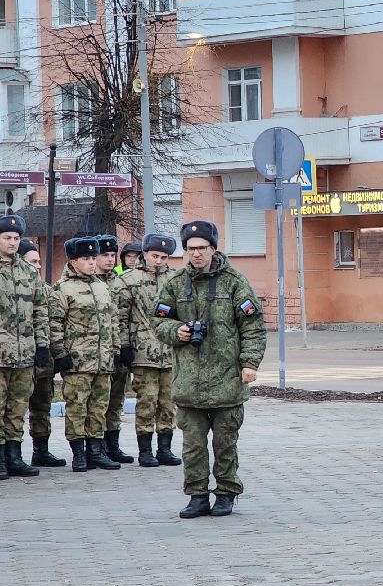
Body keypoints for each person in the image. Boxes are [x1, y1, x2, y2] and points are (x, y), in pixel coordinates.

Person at [152, 221, 267, 519]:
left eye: (202, 248)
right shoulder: (176, 283)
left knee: (225, 443)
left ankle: (227, 493)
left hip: (227, 380)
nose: (196, 254)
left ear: (213, 249)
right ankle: (197, 495)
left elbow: (252, 326)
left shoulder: (234, 282)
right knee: (192, 446)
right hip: (188, 382)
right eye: (190, 249)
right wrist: (177, 331)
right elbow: (159, 321)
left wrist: (250, 363)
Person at [50, 236, 122, 472]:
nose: (92, 263)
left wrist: (116, 350)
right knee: (77, 408)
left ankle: (95, 451)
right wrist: (60, 354)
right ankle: (78, 454)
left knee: (99, 408)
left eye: (93, 258)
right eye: (85, 259)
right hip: (78, 361)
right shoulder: (62, 289)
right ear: (72, 262)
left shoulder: (102, 287)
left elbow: (113, 322)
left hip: (103, 361)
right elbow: (55, 325)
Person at [123, 234, 183, 468]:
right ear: (145, 254)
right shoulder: (129, 280)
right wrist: (124, 346)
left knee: (169, 403)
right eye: (154, 256)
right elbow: (120, 316)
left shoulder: (176, 279)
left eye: (164, 257)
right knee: (146, 401)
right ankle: (145, 450)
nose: (158, 261)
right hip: (142, 352)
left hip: (170, 352)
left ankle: (164, 448)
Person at [0, 215, 51, 479]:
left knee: (17, 408)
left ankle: (14, 456)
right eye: (7, 237)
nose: (12, 242)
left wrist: (42, 345)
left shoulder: (28, 272)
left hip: (24, 355)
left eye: (16, 238)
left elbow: (41, 310)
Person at [19, 240, 65, 468]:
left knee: (42, 406)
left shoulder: (48, 291)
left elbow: (55, 324)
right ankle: (12, 455)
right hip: (18, 359)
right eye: (32, 262)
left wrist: (54, 354)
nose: (37, 266)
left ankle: (41, 450)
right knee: (14, 409)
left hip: (44, 360)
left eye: (39, 262)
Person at [93, 234, 136, 466]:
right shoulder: (88, 281)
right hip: (94, 354)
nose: (109, 260)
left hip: (117, 350)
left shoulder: (120, 281)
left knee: (116, 399)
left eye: (112, 255)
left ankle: (112, 445)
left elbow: (124, 318)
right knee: (98, 402)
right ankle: (96, 447)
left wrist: (125, 346)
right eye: (104, 255)